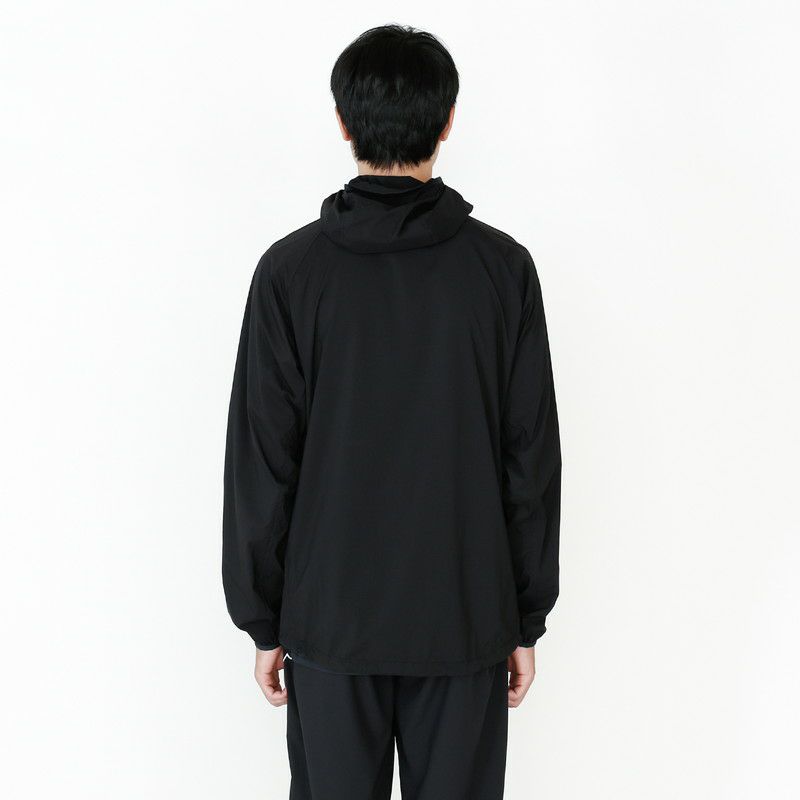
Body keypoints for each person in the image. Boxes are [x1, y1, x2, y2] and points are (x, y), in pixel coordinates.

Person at [222, 24, 561, 800]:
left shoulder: (289, 273)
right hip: (466, 615)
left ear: (344, 123)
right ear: (448, 121)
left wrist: (264, 621)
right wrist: (523, 618)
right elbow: (530, 461)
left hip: (331, 621)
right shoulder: (502, 271)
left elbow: (262, 464)